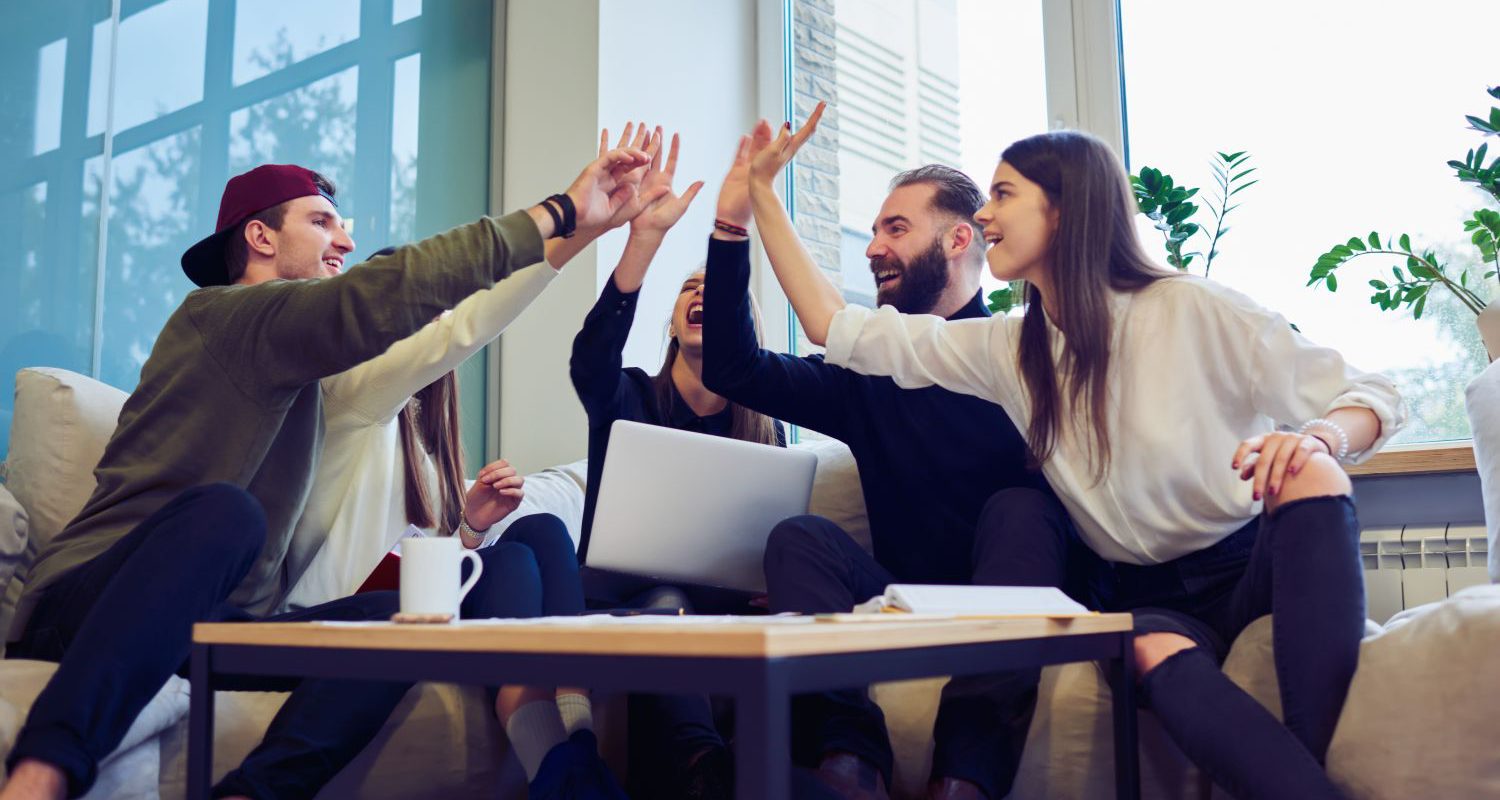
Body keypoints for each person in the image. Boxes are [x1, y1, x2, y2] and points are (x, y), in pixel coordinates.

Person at [748, 104, 1405, 799]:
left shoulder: (1192, 308)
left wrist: (1319, 435)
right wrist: (762, 194)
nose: (987, 216)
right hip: (1147, 595)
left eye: (1003, 195)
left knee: (1314, 469)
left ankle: (1313, 769)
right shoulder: (1010, 348)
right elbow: (834, 327)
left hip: (1248, 560)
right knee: (1151, 649)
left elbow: (1371, 393)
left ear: (1062, 211)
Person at [0, 142, 652, 800]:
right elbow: (390, 293)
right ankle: (40, 776)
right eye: (321, 222)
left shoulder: (315, 386)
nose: (342, 240)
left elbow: (457, 327)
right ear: (258, 236)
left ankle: (254, 793)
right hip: (90, 602)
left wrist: (580, 234)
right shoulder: (219, 317)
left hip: (213, 626)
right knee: (227, 513)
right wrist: (560, 211)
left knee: (411, 615)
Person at [701, 121, 1048, 800]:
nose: (873, 249)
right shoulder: (867, 374)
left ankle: (963, 780)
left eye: (895, 229)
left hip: (1011, 590)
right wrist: (730, 227)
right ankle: (850, 763)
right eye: (874, 231)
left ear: (957, 240)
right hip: (904, 593)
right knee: (802, 537)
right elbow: (732, 366)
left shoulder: (1022, 356)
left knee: (1023, 508)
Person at [567, 131, 785, 800]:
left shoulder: (766, 426)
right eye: (690, 288)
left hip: (729, 608)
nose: (701, 295)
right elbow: (589, 359)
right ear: (672, 321)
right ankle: (704, 773)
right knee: (668, 605)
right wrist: (644, 242)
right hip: (632, 599)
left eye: (715, 290)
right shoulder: (628, 394)